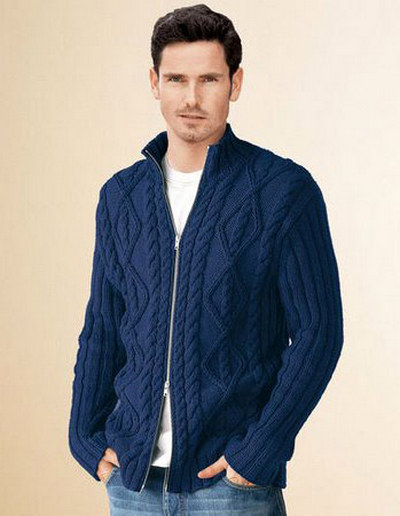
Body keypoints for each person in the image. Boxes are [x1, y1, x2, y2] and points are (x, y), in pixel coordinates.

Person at [68, 4, 344, 515]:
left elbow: (319, 332)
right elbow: (103, 326)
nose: (191, 98)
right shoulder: (120, 197)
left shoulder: (283, 191)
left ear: (235, 83)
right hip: (132, 485)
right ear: (155, 82)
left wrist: (259, 451)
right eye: (176, 79)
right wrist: (84, 435)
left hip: (230, 486)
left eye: (209, 79)